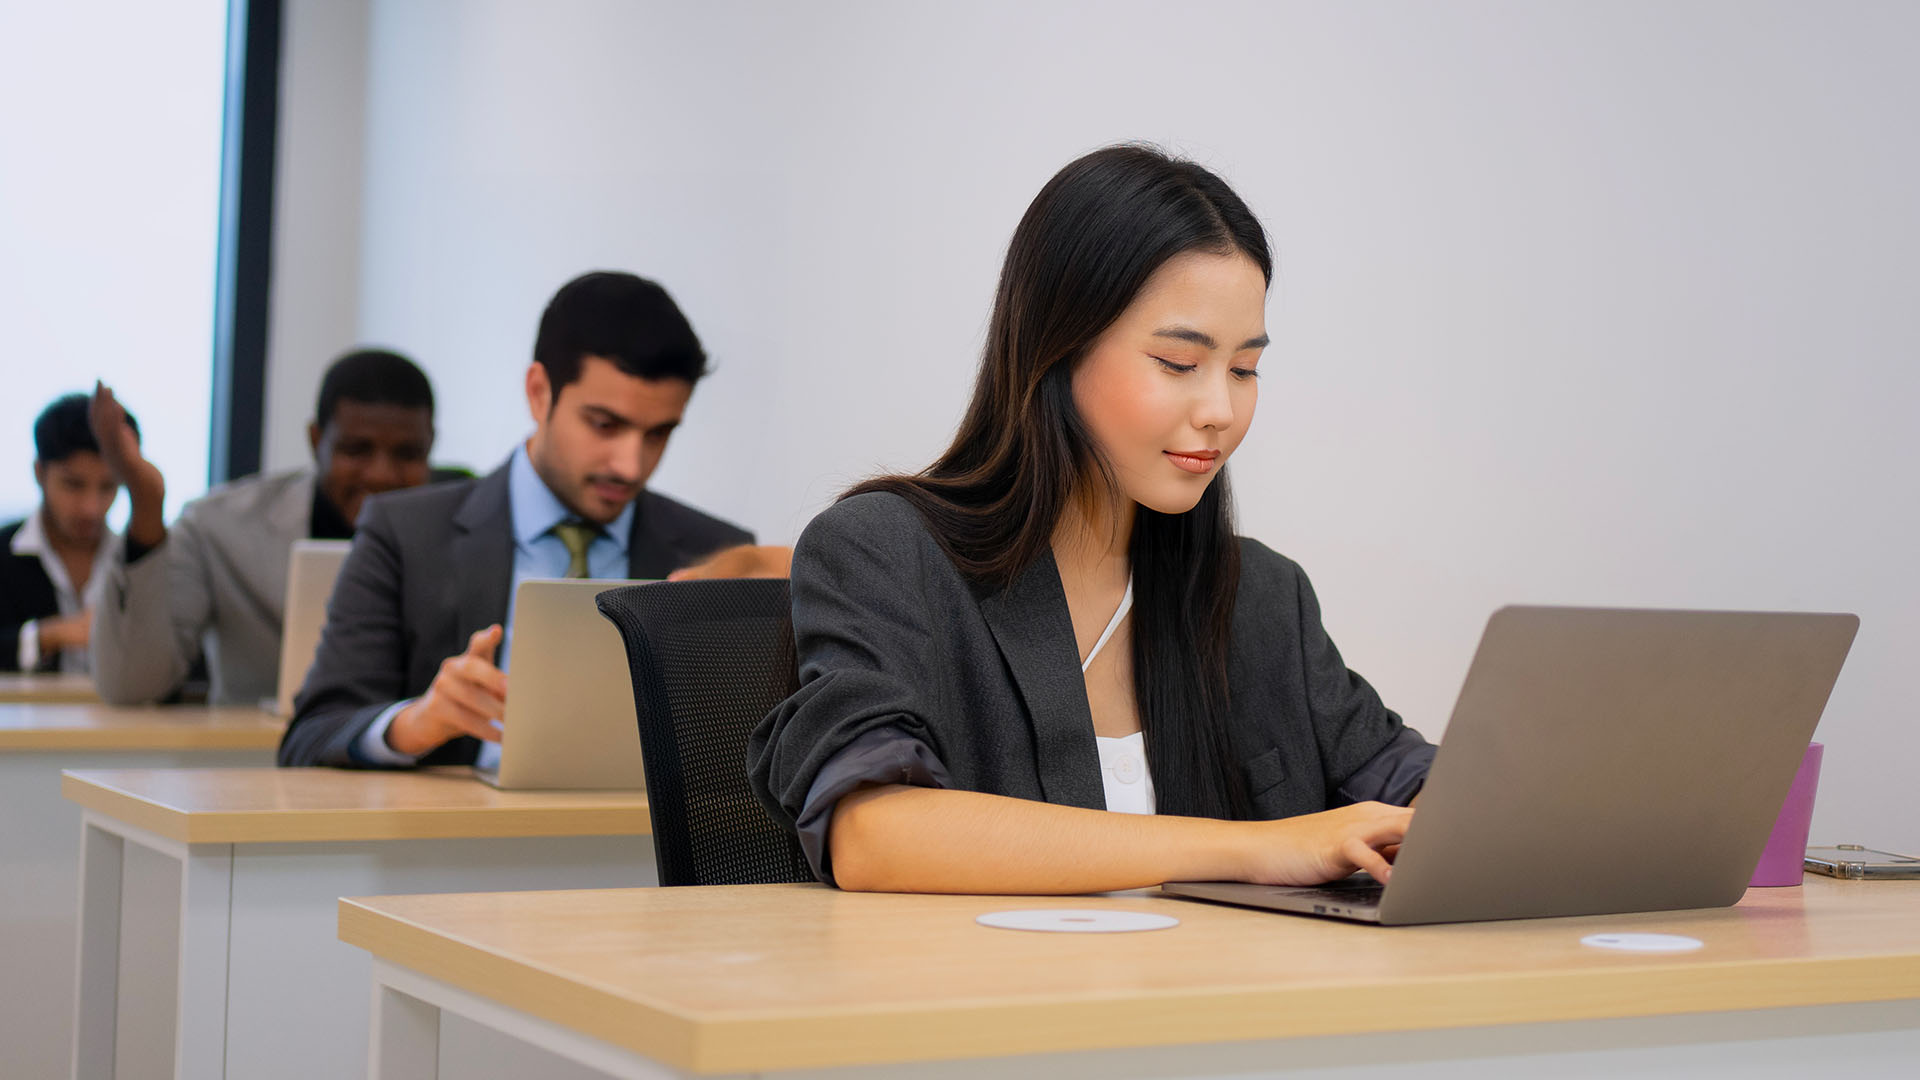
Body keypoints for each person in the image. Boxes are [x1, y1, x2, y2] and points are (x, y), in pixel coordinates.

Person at [749, 146, 1436, 894]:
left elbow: (1426, 796)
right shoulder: (883, 554)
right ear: (1058, 347)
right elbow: (871, 836)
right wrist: (1260, 848)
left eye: (1244, 369)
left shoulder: (1262, 597)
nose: (1221, 410)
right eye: (1179, 363)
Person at [278, 271, 789, 769]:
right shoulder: (405, 535)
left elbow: (752, 767)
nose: (630, 465)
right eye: (604, 425)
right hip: (451, 824)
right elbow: (311, 735)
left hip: (635, 829)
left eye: (658, 434)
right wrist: (417, 722)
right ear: (539, 392)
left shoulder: (719, 553)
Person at [88, 349, 439, 705]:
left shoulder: (462, 533)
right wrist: (146, 508)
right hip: (256, 740)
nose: (381, 474)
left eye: (408, 454)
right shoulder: (219, 526)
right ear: (316, 440)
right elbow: (131, 686)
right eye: (356, 450)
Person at [1, 394, 135, 673]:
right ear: (40, 473)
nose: (91, 508)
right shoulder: (4, 553)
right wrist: (46, 635)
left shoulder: (139, 561)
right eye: (73, 485)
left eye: (108, 487)